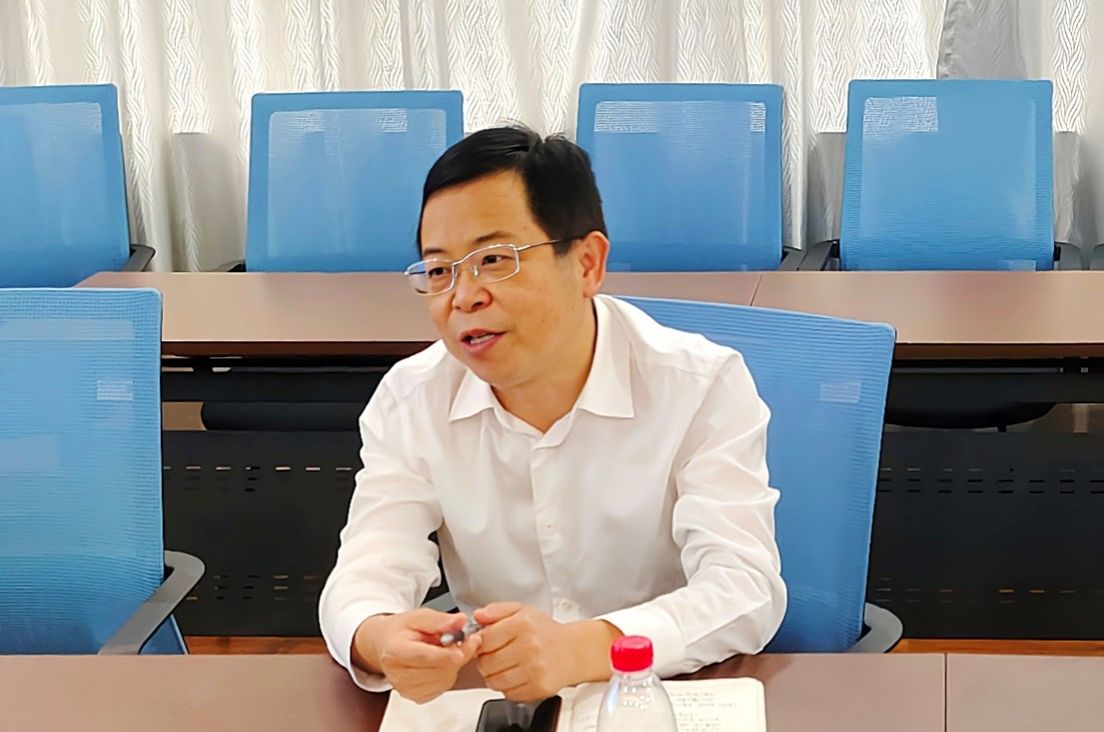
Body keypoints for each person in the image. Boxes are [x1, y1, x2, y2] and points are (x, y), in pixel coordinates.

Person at [319, 126, 786, 704]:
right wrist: (379, 637)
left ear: (587, 263)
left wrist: (584, 649)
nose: (463, 296)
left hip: (664, 694)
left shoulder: (700, 385)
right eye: (439, 270)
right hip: (502, 702)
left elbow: (745, 588)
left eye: (494, 260)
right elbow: (366, 569)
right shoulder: (412, 398)